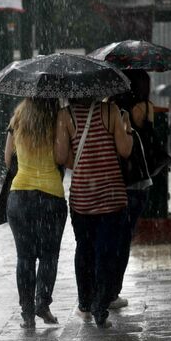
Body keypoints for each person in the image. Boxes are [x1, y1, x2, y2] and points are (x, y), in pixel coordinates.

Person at [54, 97, 132, 329]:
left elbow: (60, 157)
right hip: (111, 194)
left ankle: (85, 303)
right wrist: (126, 127)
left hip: (82, 198)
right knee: (106, 252)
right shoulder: (110, 111)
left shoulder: (65, 116)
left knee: (84, 249)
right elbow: (125, 150)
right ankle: (100, 305)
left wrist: (81, 162)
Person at [4, 98, 67, 329]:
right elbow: (61, 157)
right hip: (50, 196)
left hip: (19, 197)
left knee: (25, 257)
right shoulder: (58, 118)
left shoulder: (18, 117)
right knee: (49, 256)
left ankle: (27, 313)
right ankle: (43, 302)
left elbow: (7, 157)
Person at [110, 69, 155, 309]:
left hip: (116, 180)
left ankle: (106, 287)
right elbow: (149, 141)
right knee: (124, 239)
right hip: (139, 182)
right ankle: (114, 289)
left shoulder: (115, 110)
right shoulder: (145, 108)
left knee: (112, 237)